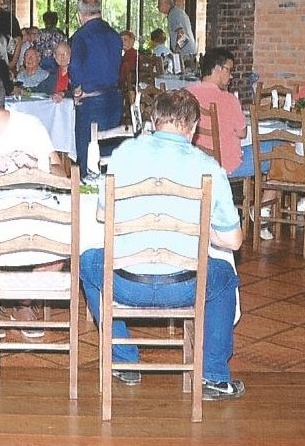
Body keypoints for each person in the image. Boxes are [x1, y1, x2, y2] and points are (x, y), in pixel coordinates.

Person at [79, 88, 244, 399]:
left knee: (87, 261)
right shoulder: (209, 167)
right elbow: (234, 241)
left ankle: (124, 358)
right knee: (223, 276)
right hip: (185, 284)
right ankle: (213, 376)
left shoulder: (123, 155)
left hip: (125, 282)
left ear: (152, 121)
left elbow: (103, 215)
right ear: (194, 128)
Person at [0, 75, 61, 337]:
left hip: (34, 206)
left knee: (61, 245)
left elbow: (62, 172)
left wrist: (35, 164)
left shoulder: (30, 125)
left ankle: (23, 304)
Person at [68, 0, 123, 180]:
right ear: (100, 11)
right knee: (108, 153)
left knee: (88, 154)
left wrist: (77, 88)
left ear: (79, 15)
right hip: (114, 99)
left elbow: (74, 68)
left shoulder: (80, 37)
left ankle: (86, 200)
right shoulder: (115, 35)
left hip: (91, 101)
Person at [187, 47, 247, 175]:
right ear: (218, 69)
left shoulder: (186, 95)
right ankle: (263, 196)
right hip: (224, 166)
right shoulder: (229, 100)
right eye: (229, 70)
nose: (231, 76)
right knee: (274, 153)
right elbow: (242, 133)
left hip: (194, 162)